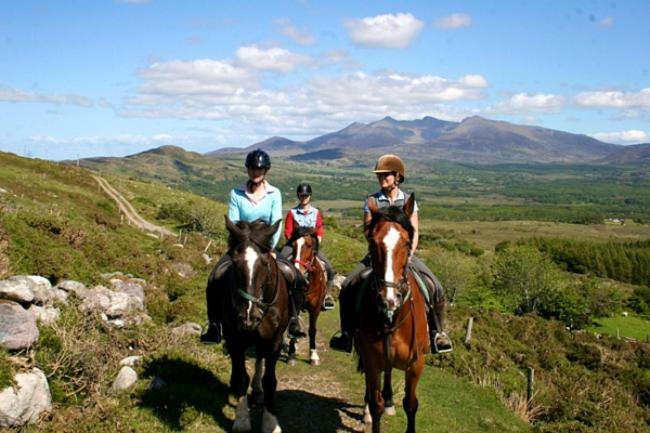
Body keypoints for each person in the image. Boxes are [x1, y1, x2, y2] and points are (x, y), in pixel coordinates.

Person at [329, 154, 453, 354]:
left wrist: (409, 255)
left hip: (404, 256)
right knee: (347, 285)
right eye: (379, 175)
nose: (381, 178)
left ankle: (437, 334)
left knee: (436, 287)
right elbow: (368, 232)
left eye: (385, 175)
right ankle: (346, 334)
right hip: (377, 256)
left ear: (397, 176)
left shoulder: (408, 201)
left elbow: (415, 231)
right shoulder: (372, 201)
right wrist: (379, 253)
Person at [200, 149, 306, 344]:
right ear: (247, 170)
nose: (256, 172)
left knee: (294, 276)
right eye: (253, 169)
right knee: (215, 276)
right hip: (241, 245)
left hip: (265, 246)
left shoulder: (274, 194)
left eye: (260, 169)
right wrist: (239, 246)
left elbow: (276, 222)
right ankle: (214, 325)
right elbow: (233, 221)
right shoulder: (236, 193)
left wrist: (269, 249)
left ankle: (293, 319)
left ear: (265, 170)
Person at [279, 183, 336, 310]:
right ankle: (280, 292)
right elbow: (288, 232)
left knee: (329, 268)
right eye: (301, 195)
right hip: (295, 245)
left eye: (306, 195)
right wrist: (296, 244)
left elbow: (320, 231)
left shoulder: (316, 213)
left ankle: (327, 295)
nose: (304, 197)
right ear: (298, 196)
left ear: (309, 196)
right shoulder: (292, 213)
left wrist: (315, 245)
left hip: (311, 246)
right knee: (280, 261)